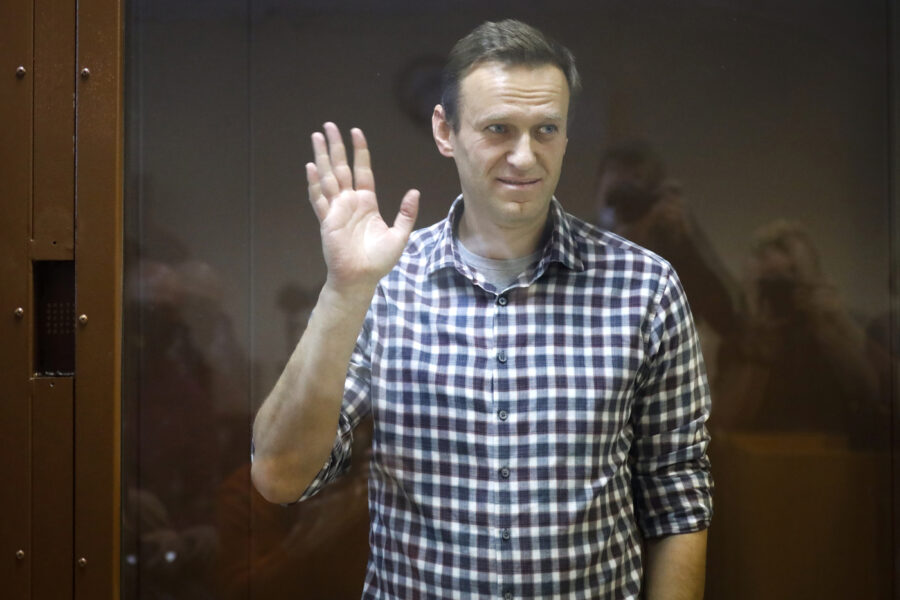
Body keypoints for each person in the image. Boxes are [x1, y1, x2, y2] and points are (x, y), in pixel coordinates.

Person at [252, 19, 712, 599]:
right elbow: (278, 478)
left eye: (547, 129)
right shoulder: (383, 285)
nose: (525, 156)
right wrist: (344, 290)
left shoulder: (644, 287)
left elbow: (676, 494)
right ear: (445, 131)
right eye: (499, 129)